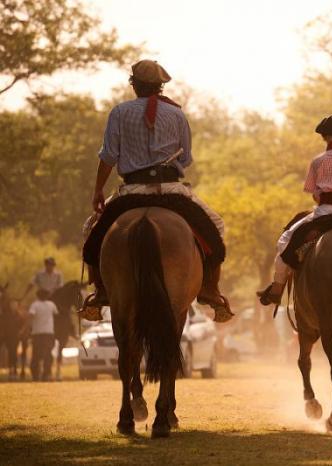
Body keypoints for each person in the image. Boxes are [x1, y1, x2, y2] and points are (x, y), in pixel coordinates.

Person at [80, 59, 231, 322]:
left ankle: (100, 291)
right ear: (160, 87)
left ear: (133, 85)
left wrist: (98, 191)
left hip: (132, 190)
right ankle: (209, 288)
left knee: (90, 231)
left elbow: (108, 156)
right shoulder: (177, 114)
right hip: (173, 190)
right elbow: (186, 159)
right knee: (216, 227)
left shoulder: (119, 112)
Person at [257, 115, 332, 305]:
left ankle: (277, 288)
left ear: (325, 137)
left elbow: (314, 194)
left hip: (324, 214)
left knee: (285, 242)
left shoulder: (318, 161)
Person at [28, 289, 58, 381]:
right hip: (49, 333)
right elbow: (56, 314)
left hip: (37, 333)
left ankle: (35, 375)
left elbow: (30, 316)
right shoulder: (51, 304)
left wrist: (27, 328)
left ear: (38, 296)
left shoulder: (34, 305)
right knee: (48, 354)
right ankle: (46, 374)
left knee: (36, 354)